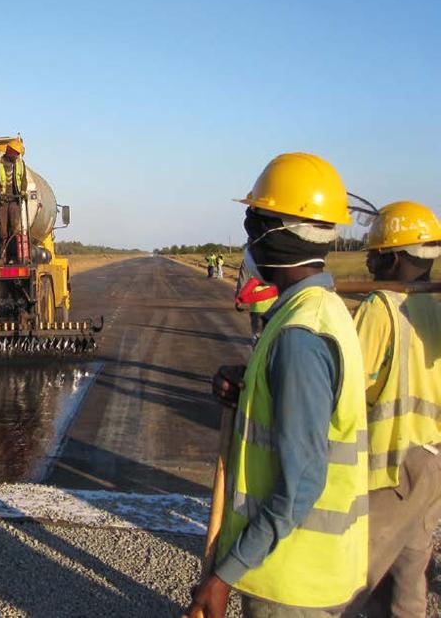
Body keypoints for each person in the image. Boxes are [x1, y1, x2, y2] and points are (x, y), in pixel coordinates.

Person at [186, 153, 368, 618]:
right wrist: (248, 385)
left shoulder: (300, 336)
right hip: (299, 570)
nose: (249, 238)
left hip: (290, 582)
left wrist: (224, 575)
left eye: (254, 223)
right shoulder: (315, 309)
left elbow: (302, 483)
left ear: (278, 234)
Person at [346, 200, 441, 617]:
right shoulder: (433, 309)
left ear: (395, 256)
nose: (367, 259)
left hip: (389, 468)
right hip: (431, 466)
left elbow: (347, 386)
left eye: (373, 251)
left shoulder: (380, 307)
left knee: (350, 581)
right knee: (406, 588)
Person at [0, 138, 27, 263]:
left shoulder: (21, 164)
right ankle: (3, 256)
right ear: (10, 152)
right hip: (2, 202)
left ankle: (16, 257)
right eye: (16, 153)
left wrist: (23, 190)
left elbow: (23, 179)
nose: (17, 156)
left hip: (15, 201)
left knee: (15, 230)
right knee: (3, 231)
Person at [234, 274, 278, 346]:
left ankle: (256, 348)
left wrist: (239, 301)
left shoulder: (255, 277)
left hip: (256, 310)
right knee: (269, 332)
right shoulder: (277, 280)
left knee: (257, 333)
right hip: (272, 310)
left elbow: (245, 292)